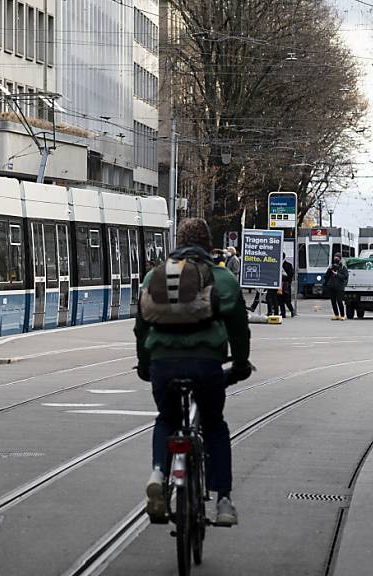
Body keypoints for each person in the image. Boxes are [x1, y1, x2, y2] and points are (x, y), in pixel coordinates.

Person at [135, 218, 252, 526]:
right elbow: (239, 327)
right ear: (207, 244)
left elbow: (141, 327)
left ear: (178, 242)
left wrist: (146, 367)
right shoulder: (222, 277)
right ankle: (223, 501)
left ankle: (159, 473)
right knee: (213, 425)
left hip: (162, 365)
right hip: (206, 364)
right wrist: (240, 364)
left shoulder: (155, 276)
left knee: (167, 419)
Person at [324, 253, 349, 320]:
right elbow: (326, 276)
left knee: (339, 301)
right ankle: (336, 315)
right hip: (331, 287)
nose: (336, 258)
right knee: (333, 302)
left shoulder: (343, 267)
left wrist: (337, 274)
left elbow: (345, 277)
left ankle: (343, 315)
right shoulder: (332, 266)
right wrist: (329, 269)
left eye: (337, 257)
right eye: (335, 257)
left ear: (340, 259)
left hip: (339, 287)